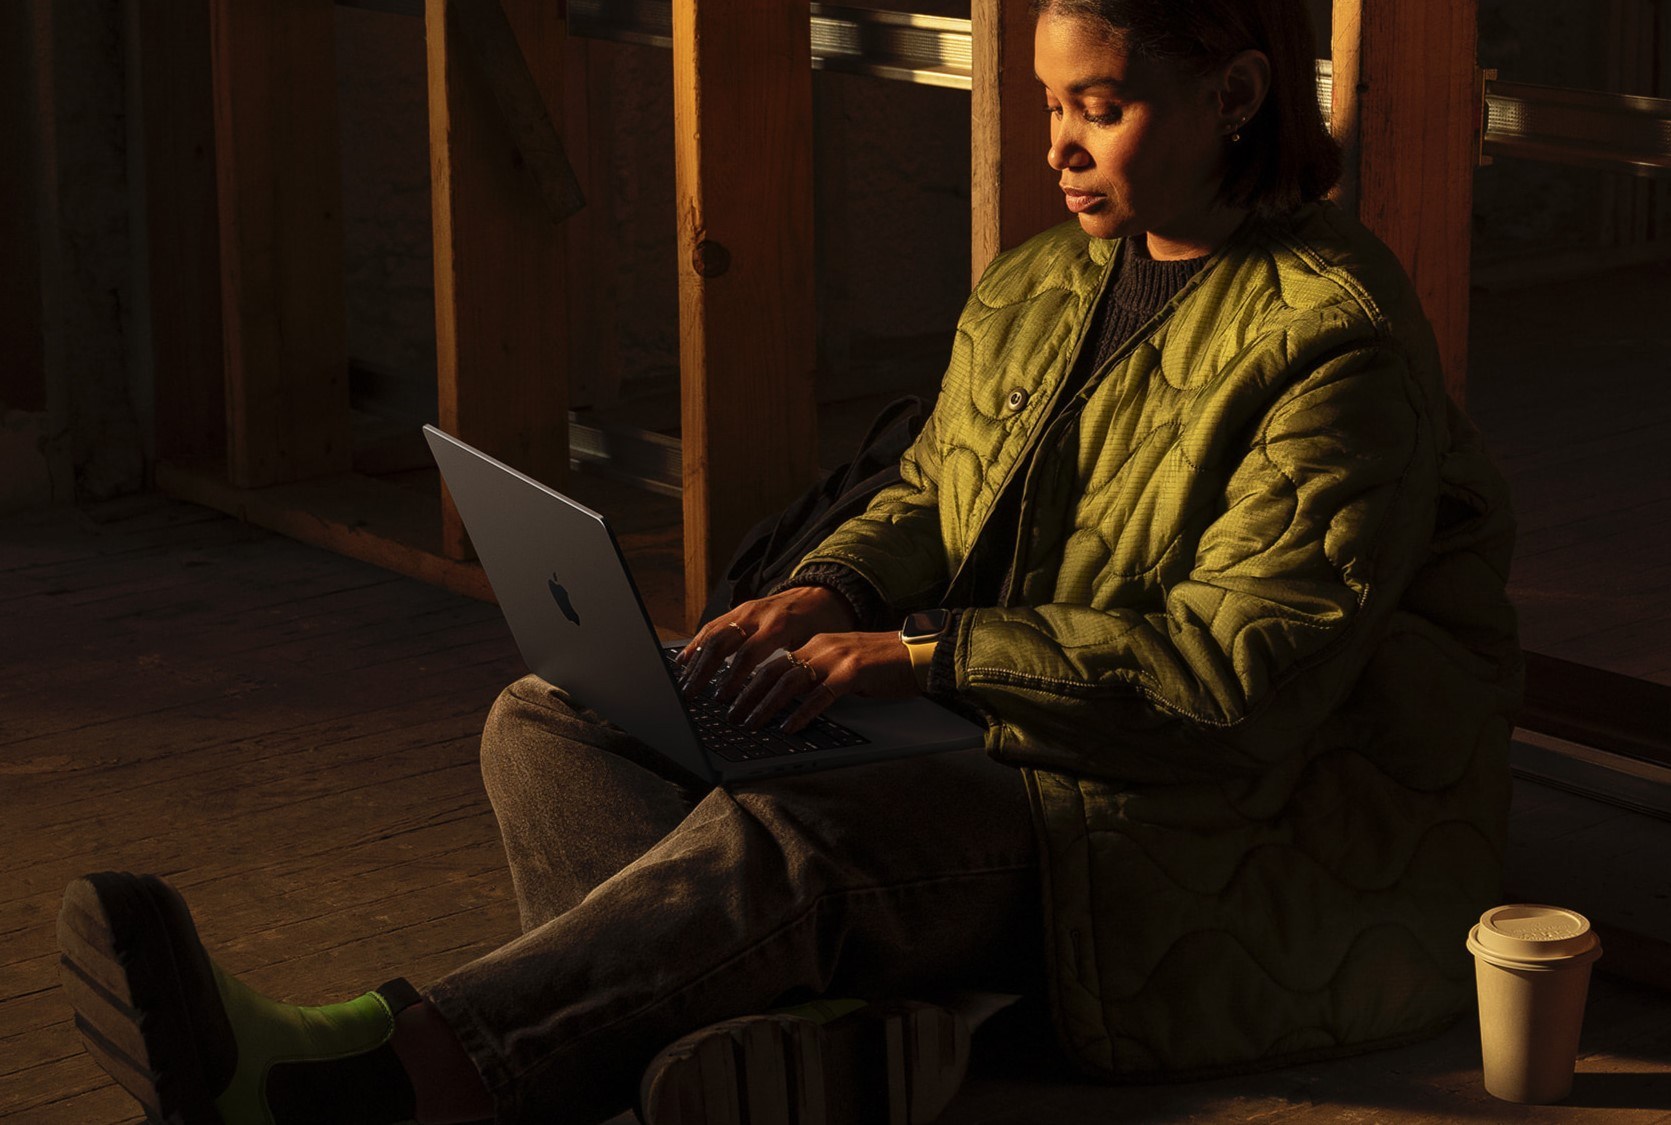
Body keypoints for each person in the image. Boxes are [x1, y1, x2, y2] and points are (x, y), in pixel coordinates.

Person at [56, 0, 1522, 1121]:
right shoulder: (1044, 280)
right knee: (557, 720)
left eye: (1102, 105)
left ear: (1237, 95)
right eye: (1048, 105)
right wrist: (839, 590)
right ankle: (801, 1041)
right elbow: (938, 486)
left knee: (801, 846)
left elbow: (1236, 681)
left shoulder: (1331, 337)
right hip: (1005, 734)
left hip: (1187, 815)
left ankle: (364, 1078)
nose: (1060, 144)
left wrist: (924, 656)